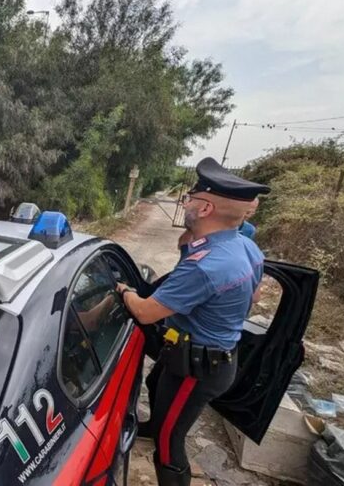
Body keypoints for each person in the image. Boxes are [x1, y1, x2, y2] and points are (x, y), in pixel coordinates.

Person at [115, 157, 270, 486]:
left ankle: (168, 458)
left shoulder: (205, 266)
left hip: (197, 370)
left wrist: (125, 290)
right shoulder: (245, 246)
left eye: (190, 198)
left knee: (170, 443)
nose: (184, 202)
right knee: (156, 384)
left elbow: (144, 312)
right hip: (210, 354)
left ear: (204, 209)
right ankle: (154, 425)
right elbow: (253, 298)